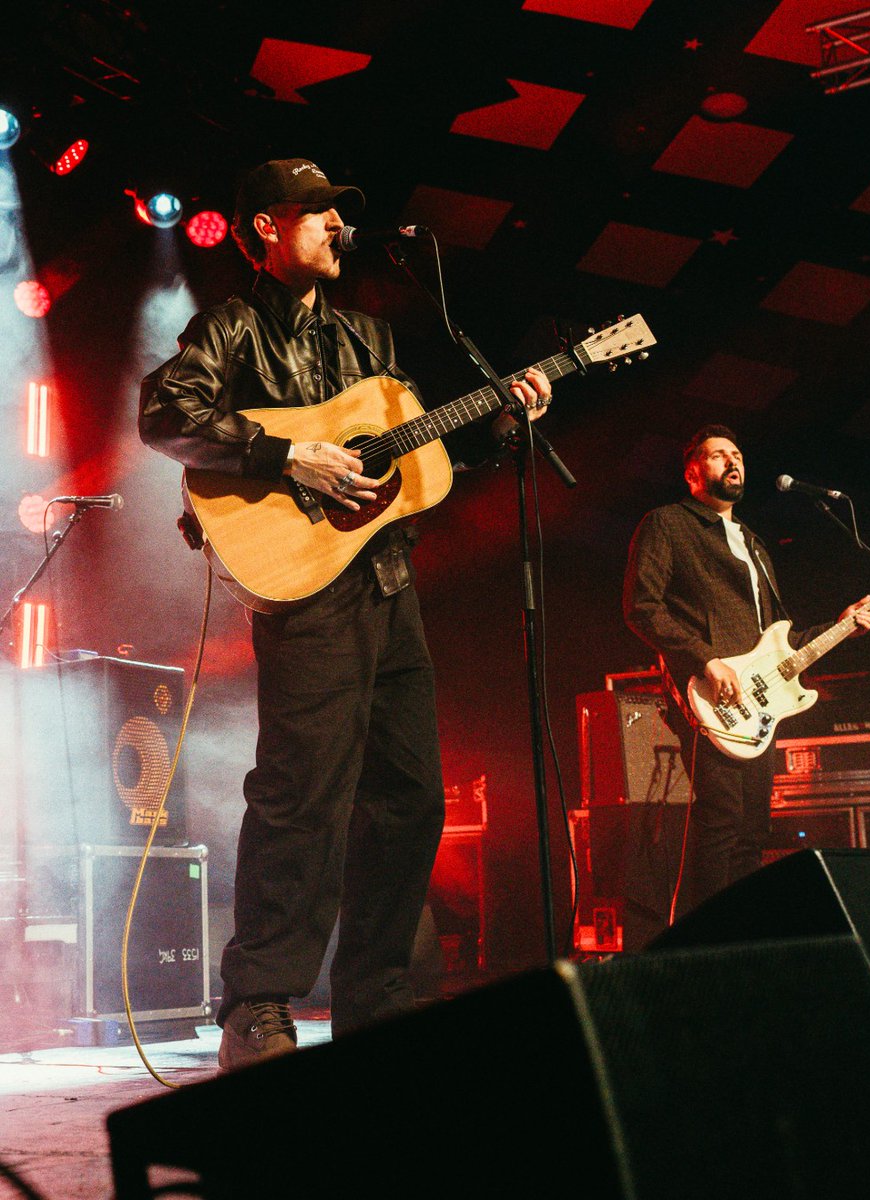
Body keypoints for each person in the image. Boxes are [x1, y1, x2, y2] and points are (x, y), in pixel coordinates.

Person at [139, 158, 552, 1071]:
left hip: (390, 585)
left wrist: (500, 421)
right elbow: (166, 413)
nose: (334, 225)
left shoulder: (370, 334)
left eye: (337, 212)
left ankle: (380, 1003)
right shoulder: (230, 328)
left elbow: (409, 467)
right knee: (302, 796)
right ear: (260, 231)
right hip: (306, 593)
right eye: (312, 212)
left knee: (410, 801)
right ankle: (258, 1006)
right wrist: (289, 460)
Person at [622, 424, 870, 932]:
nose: (732, 462)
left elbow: (778, 641)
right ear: (693, 473)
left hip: (758, 702)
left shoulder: (755, 544)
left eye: (737, 455)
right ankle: (705, 944)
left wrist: (842, 626)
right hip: (709, 692)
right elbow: (641, 608)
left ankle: (741, 936)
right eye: (718, 456)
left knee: (751, 828)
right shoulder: (667, 524)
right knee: (720, 820)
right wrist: (705, 659)